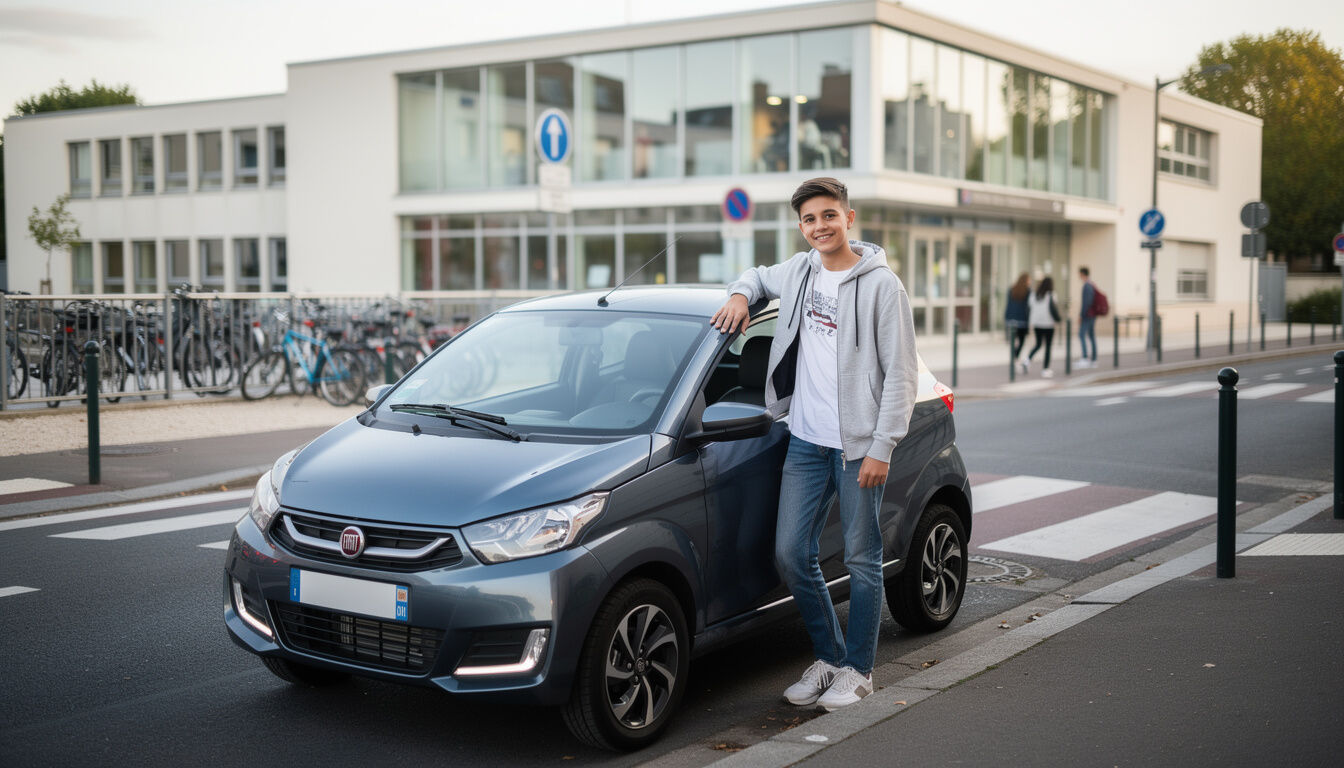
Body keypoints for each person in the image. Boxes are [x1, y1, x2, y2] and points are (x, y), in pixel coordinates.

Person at [711, 177, 917, 711]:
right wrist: (739, 294)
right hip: (805, 439)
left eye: (829, 215)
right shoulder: (801, 271)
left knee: (862, 558)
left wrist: (882, 445)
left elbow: (901, 373)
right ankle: (829, 656)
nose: (820, 226)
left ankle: (860, 669)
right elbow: (756, 276)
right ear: (800, 227)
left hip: (857, 447)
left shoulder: (881, 286)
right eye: (809, 219)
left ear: (849, 217)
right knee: (790, 554)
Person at [1024, 275, 1059, 378]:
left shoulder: (1034, 294)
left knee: (1038, 344)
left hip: (1037, 323)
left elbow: (1029, 307)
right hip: (1048, 324)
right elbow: (1054, 309)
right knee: (1048, 346)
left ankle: (1027, 360)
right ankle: (1045, 369)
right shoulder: (1051, 295)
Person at [1004, 272, 1030, 365]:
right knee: (1021, 341)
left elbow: (1008, 305)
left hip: (1011, 319)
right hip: (1022, 319)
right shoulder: (1028, 291)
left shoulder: (1011, 289)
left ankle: (1014, 356)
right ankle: (1016, 355)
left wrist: (1006, 317)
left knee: (1013, 341)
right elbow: (1028, 306)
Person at [1077, 266, 1098, 368]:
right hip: (1092, 314)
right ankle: (1093, 359)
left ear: (1082, 274)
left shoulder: (1087, 286)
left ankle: (1085, 357)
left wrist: (1081, 315)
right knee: (1091, 336)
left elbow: (1086, 303)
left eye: (1079, 274)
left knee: (1081, 335)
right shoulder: (1091, 284)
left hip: (1088, 315)